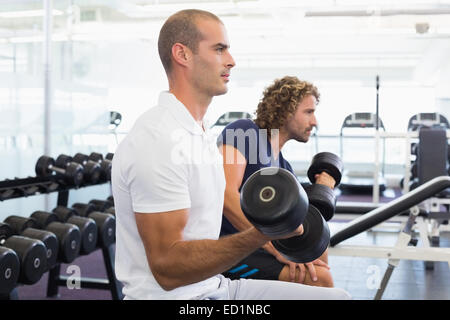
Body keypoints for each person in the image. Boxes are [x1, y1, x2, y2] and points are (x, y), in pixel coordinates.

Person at [111, 9, 350, 300]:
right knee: (322, 286)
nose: (231, 60)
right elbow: (167, 270)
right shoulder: (158, 140)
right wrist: (265, 235)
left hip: (214, 287)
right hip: (180, 300)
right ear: (182, 54)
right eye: (219, 49)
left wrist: (281, 240)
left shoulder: (198, 134)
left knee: (336, 297)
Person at [218, 76, 336, 286]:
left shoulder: (284, 167)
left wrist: (324, 188)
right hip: (227, 248)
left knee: (319, 253)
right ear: (286, 110)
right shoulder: (245, 132)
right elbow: (225, 195)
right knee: (320, 279)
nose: (314, 122)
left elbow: (303, 220)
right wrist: (275, 247)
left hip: (257, 247)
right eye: (308, 112)